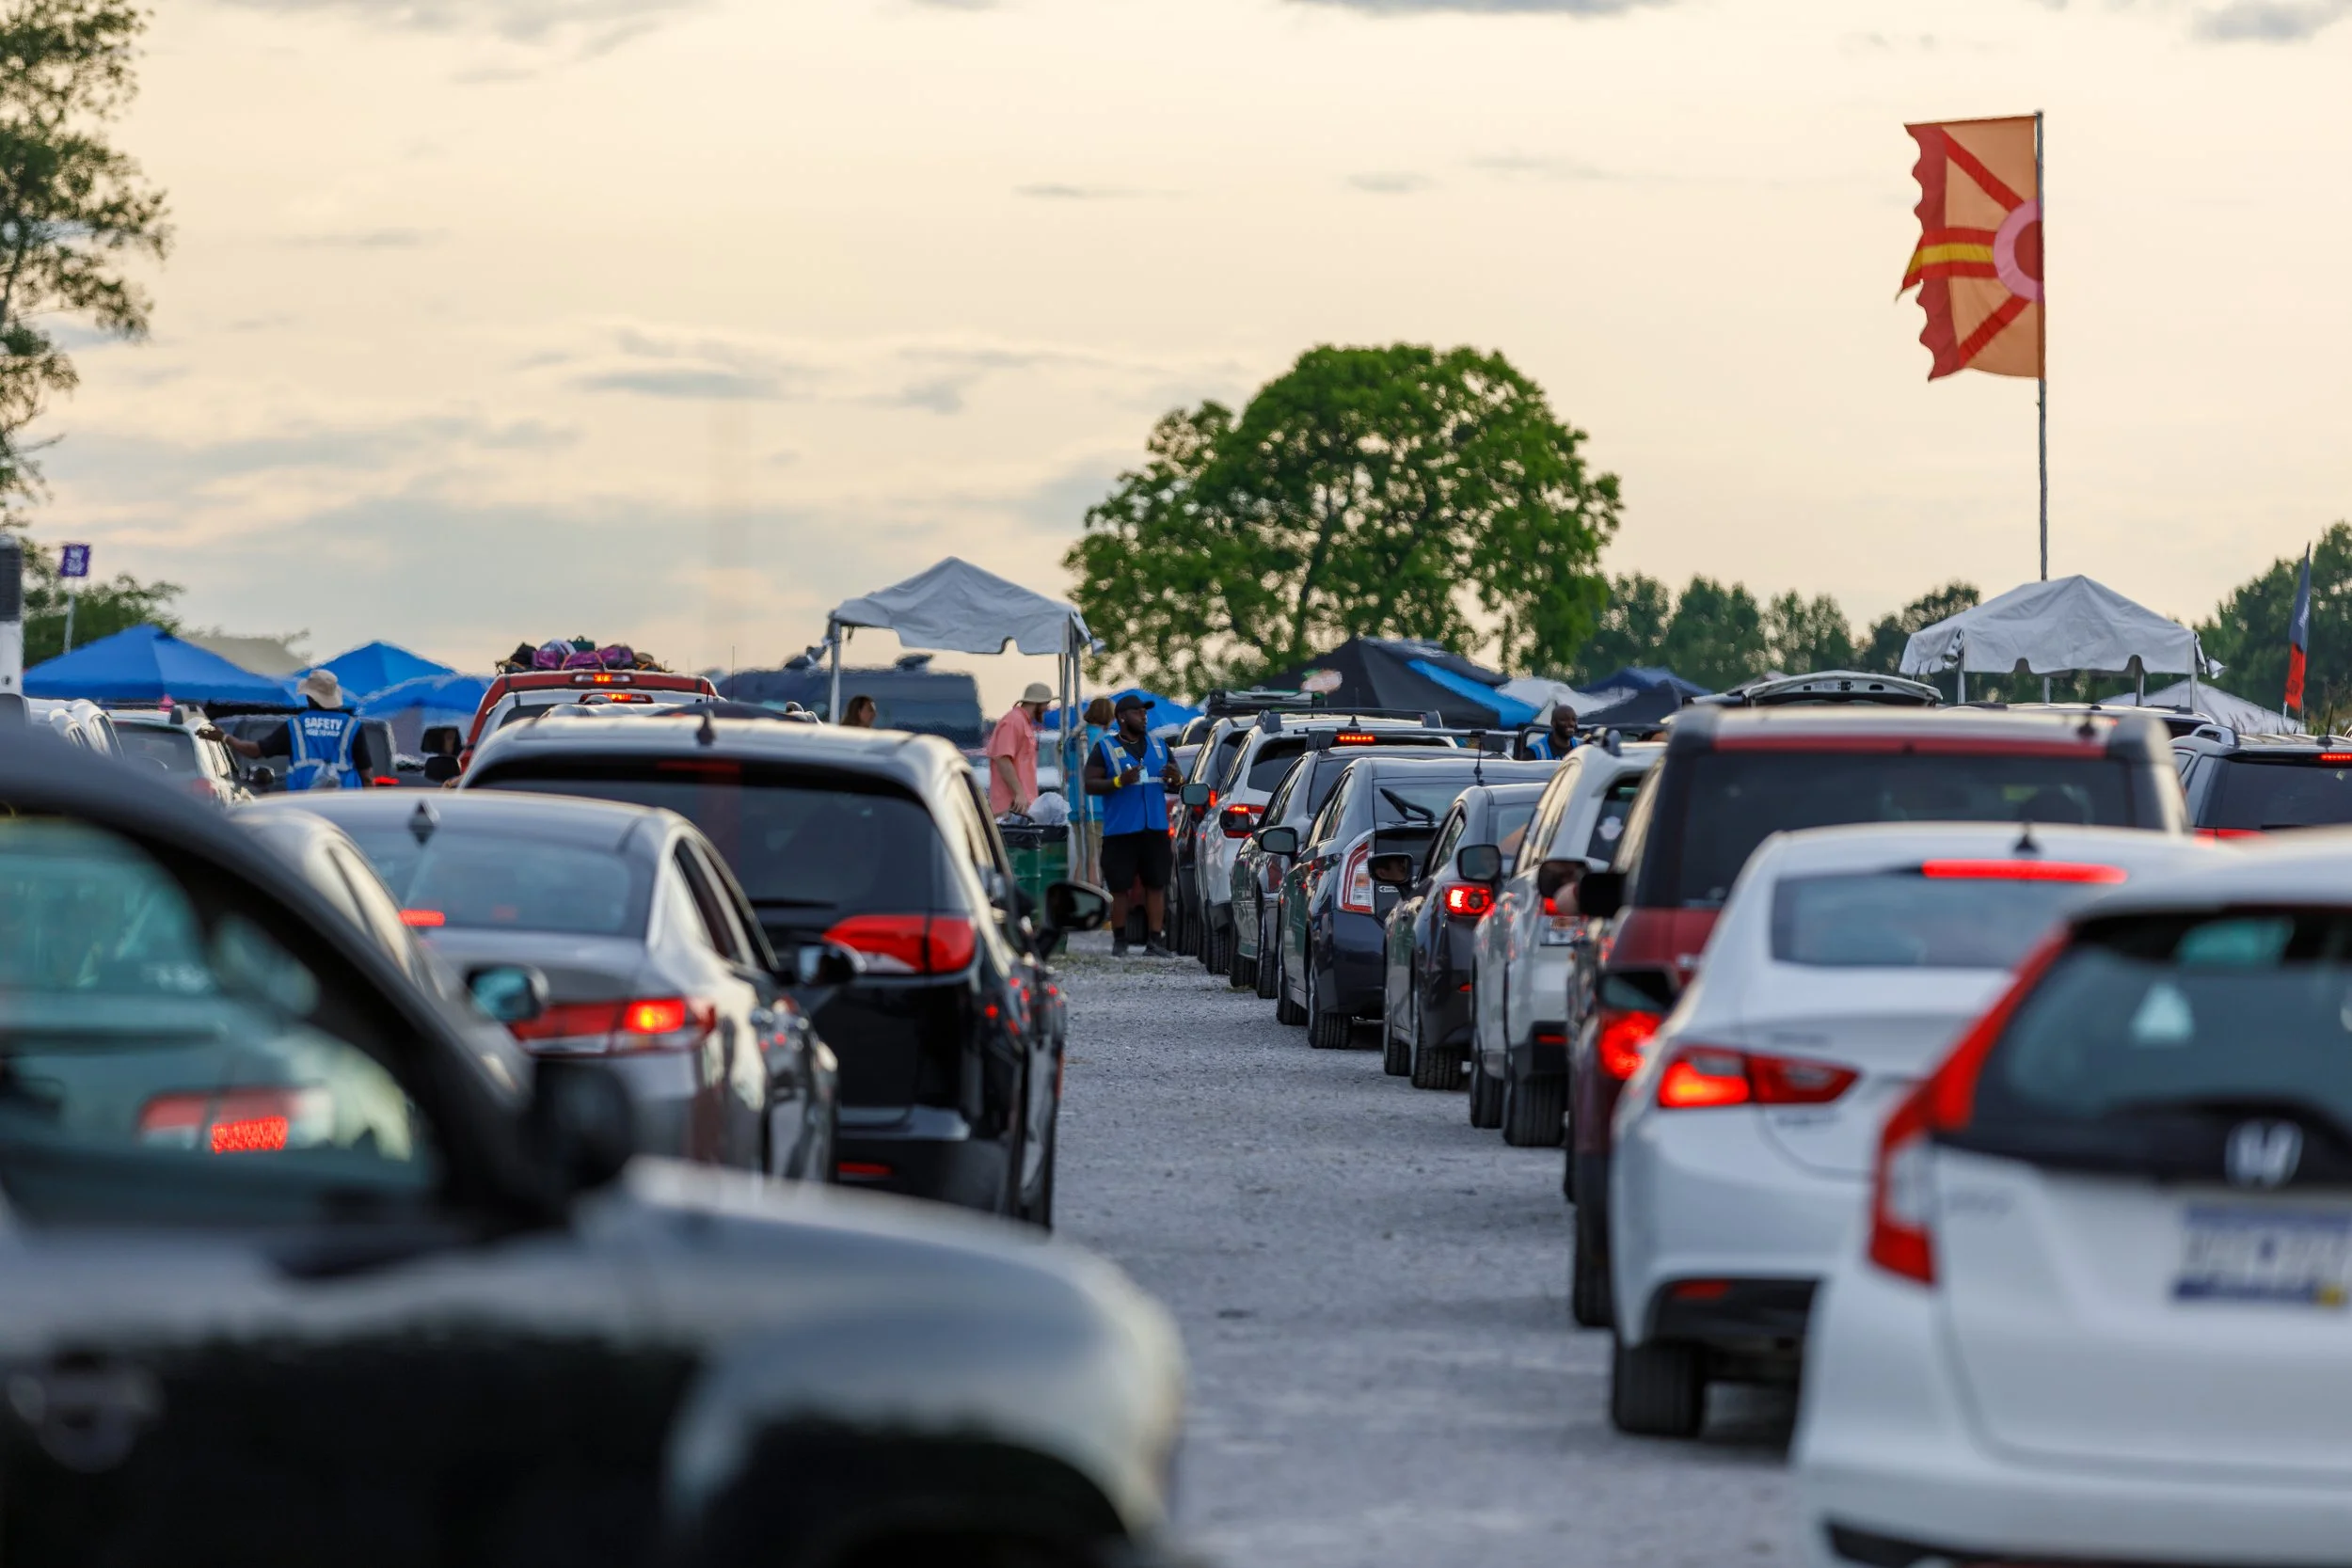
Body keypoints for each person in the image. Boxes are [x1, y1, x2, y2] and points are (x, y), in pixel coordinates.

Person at [1085, 691, 1181, 958]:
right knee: (1120, 886)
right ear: (1122, 718)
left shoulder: (1160, 746)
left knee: (1156, 884)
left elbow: (1176, 782)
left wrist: (1177, 779)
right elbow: (1090, 784)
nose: (1144, 716)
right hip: (1121, 829)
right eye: (1138, 712)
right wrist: (1118, 782)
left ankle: (1155, 941)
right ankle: (1120, 940)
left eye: (1145, 712)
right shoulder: (1104, 747)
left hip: (1155, 827)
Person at [202, 670, 360, 790]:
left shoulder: (296, 726)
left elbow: (255, 751)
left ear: (309, 697)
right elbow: (367, 776)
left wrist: (225, 738)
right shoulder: (352, 727)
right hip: (347, 807)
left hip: (306, 807)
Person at [987, 681, 1053, 816]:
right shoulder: (1013, 721)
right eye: (1046, 703)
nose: (1048, 708)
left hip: (1019, 805)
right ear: (1037, 703)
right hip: (1011, 806)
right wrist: (1019, 793)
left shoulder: (1022, 722)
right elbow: (1003, 759)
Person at [1076, 695, 1113, 884]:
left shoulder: (1073, 740)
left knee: (1083, 857)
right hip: (1097, 806)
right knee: (1096, 857)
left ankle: (1076, 900)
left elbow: (1067, 772)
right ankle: (1093, 899)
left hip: (1076, 805)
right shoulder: (1105, 741)